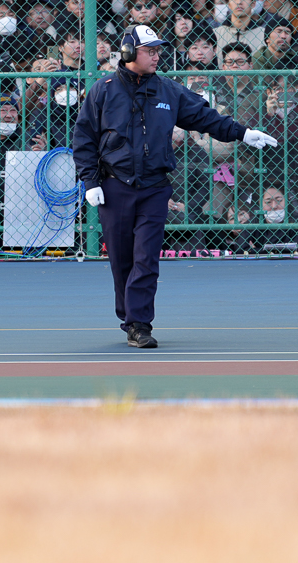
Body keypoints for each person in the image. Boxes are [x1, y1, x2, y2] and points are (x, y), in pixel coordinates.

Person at [71, 24, 278, 349]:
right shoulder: (104, 90)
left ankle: (140, 324)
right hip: (114, 187)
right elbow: (84, 138)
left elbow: (206, 118)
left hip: (154, 187)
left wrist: (243, 133)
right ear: (128, 53)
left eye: (157, 50)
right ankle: (129, 316)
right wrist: (90, 181)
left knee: (146, 258)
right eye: (149, 50)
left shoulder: (168, 89)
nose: (156, 56)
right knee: (121, 259)